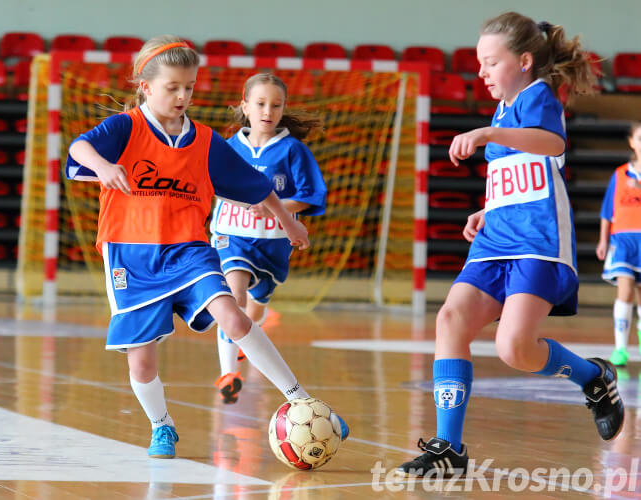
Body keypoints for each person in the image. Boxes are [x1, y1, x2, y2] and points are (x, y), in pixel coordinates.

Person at [65, 35, 348, 459]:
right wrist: (104, 166)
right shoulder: (127, 128)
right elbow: (77, 148)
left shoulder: (205, 140)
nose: (183, 96)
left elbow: (258, 187)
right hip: (130, 254)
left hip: (187, 249)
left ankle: (303, 400)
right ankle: (162, 426)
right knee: (140, 362)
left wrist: (289, 221)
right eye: (173, 87)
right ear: (146, 87)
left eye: (190, 88)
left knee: (232, 315)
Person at [396, 12, 624, 478]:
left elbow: (551, 145)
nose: (480, 72)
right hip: (498, 236)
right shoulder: (503, 109)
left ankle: (595, 378)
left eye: (489, 62)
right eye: (479, 63)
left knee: (515, 347)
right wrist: (487, 210)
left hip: (537, 243)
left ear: (523, 61)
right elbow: (519, 175)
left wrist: (486, 133)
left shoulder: (539, 97)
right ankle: (449, 447)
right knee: (450, 319)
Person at [211, 73, 327, 404]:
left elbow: (310, 195)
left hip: (273, 240)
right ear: (244, 106)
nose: (268, 111)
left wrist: (277, 209)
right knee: (231, 300)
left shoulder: (293, 150)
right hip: (231, 235)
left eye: (276, 105)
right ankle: (228, 373)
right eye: (260, 103)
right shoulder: (228, 148)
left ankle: (250, 335)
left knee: (255, 310)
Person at [596, 122, 641, 367]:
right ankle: (620, 349)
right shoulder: (620, 174)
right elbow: (607, 211)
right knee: (624, 292)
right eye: (640, 138)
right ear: (631, 142)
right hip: (623, 241)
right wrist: (603, 240)